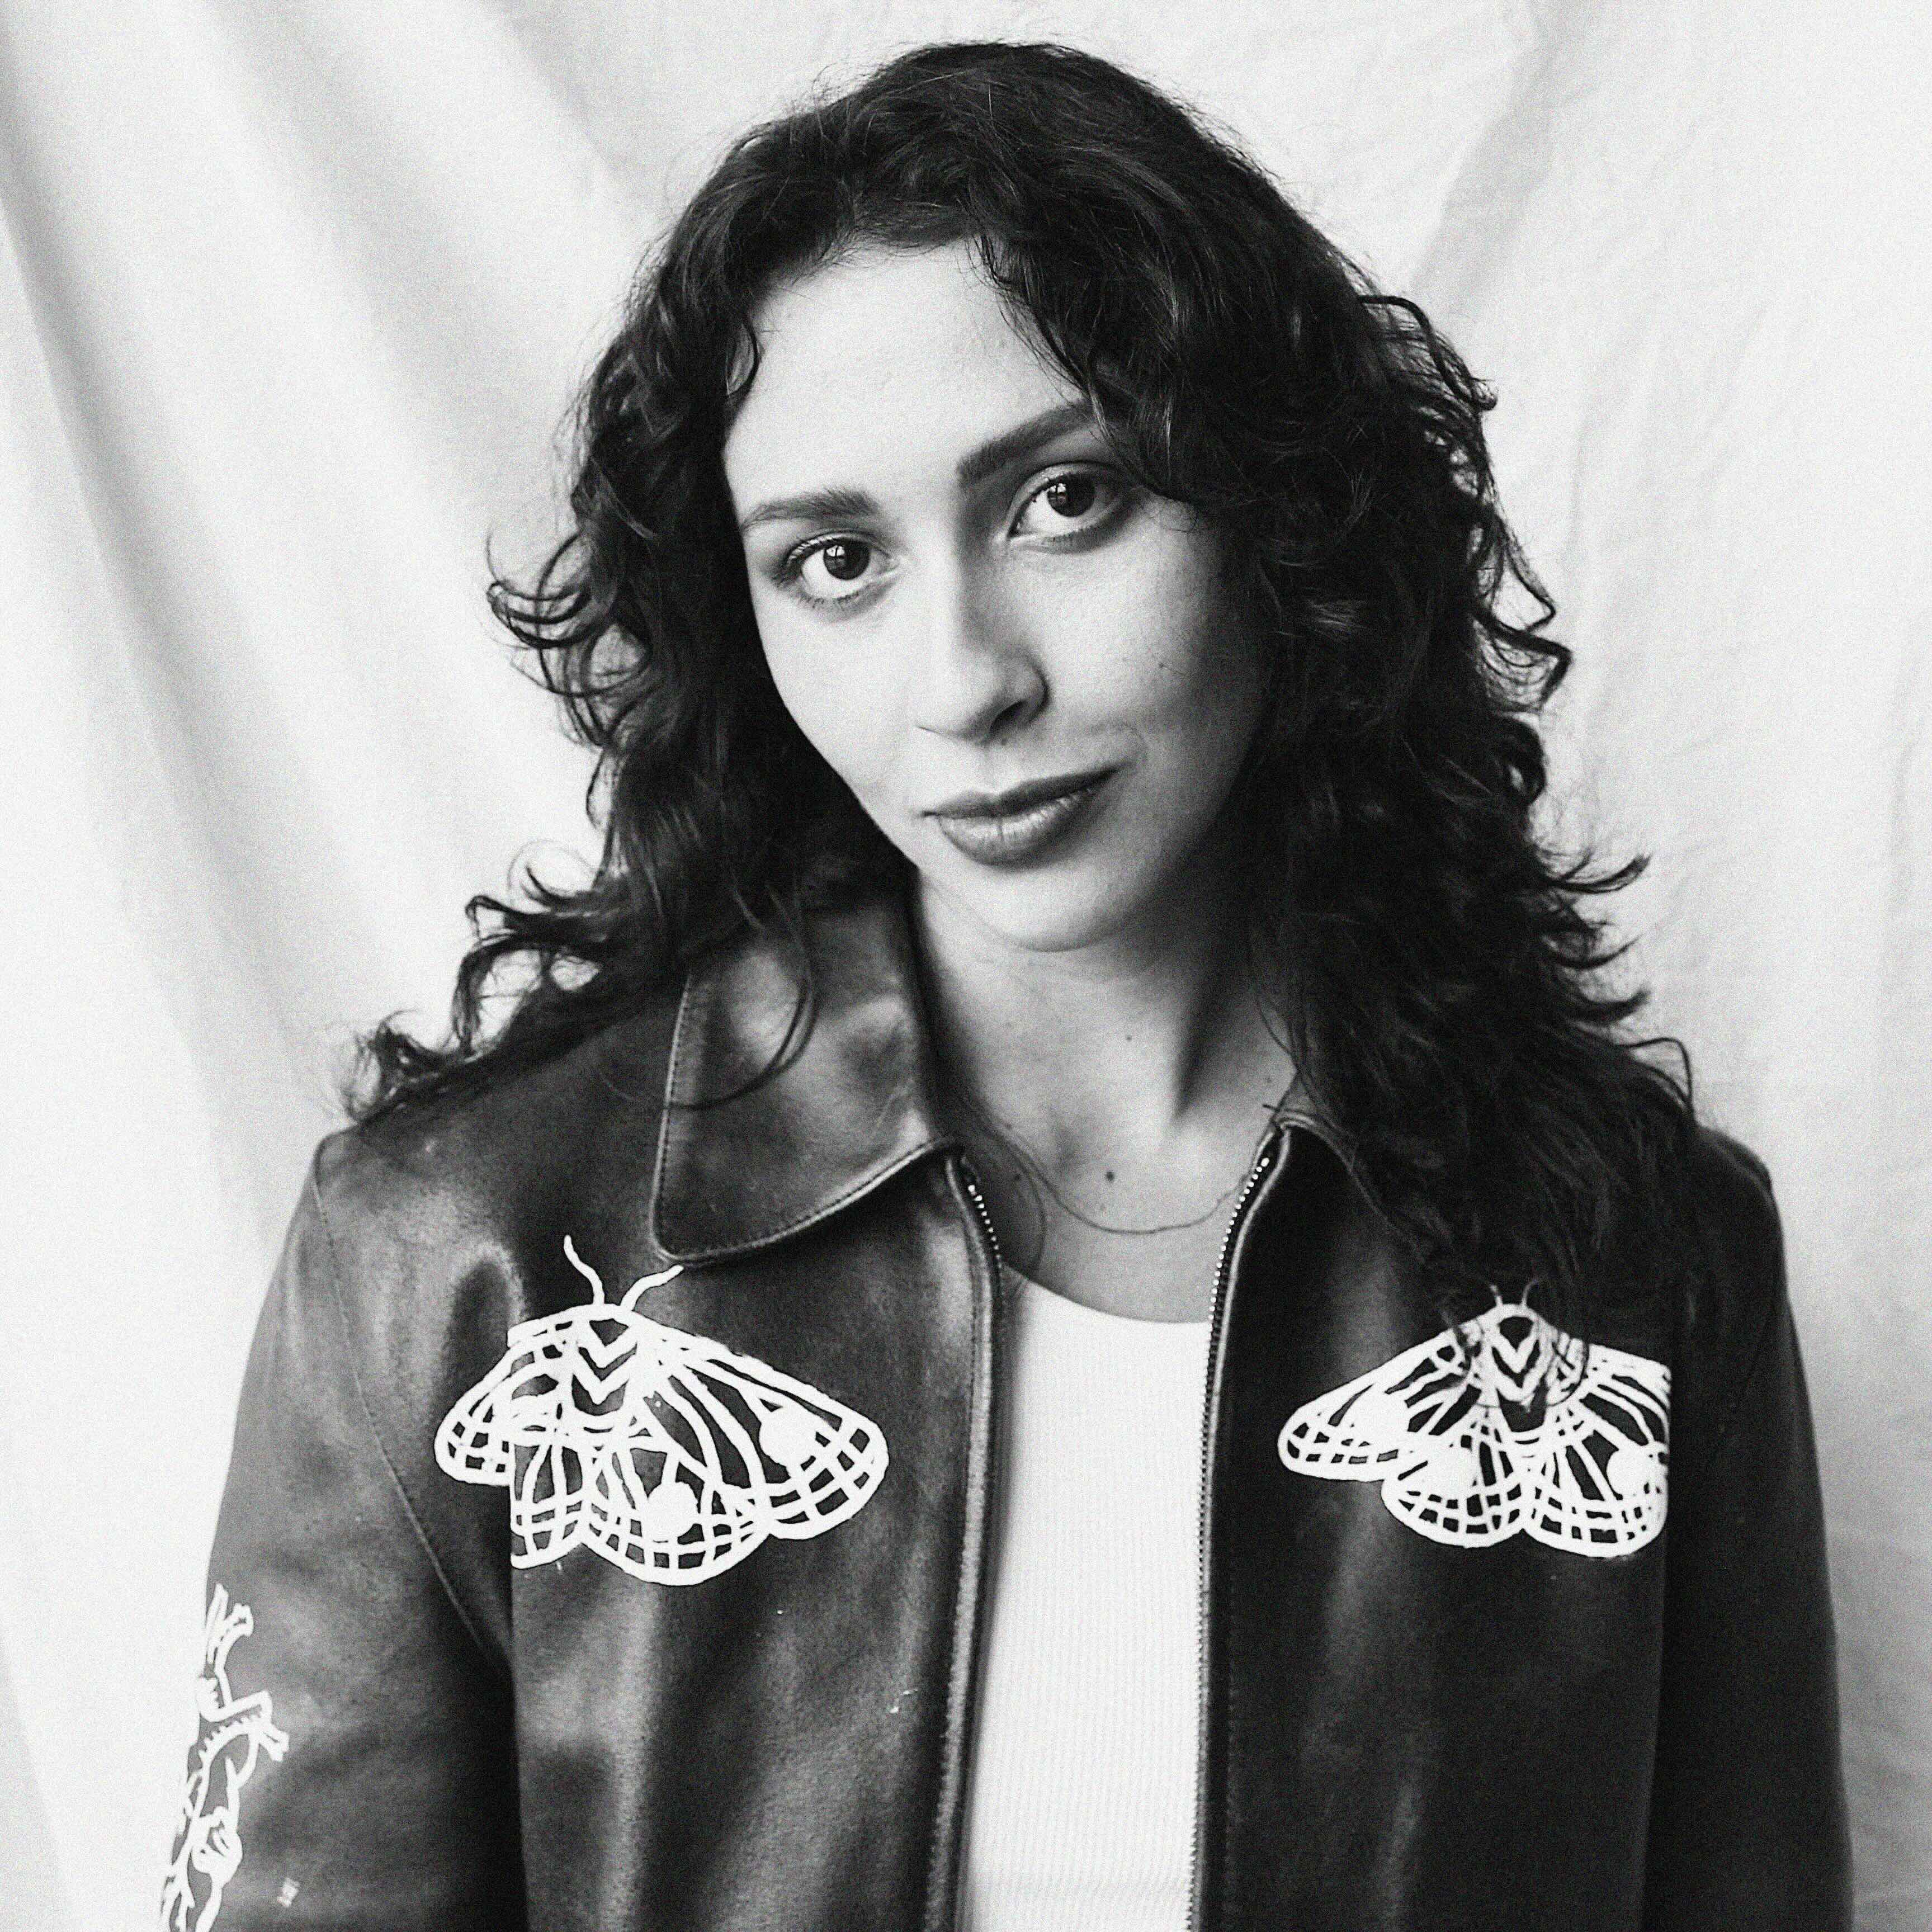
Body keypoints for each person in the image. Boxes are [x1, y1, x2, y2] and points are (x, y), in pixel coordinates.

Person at [163, 40, 1849, 1932]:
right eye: (836, 559)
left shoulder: (1639, 1260)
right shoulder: (453, 1261)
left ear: (1282, 516)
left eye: (1066, 499)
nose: (966, 680)